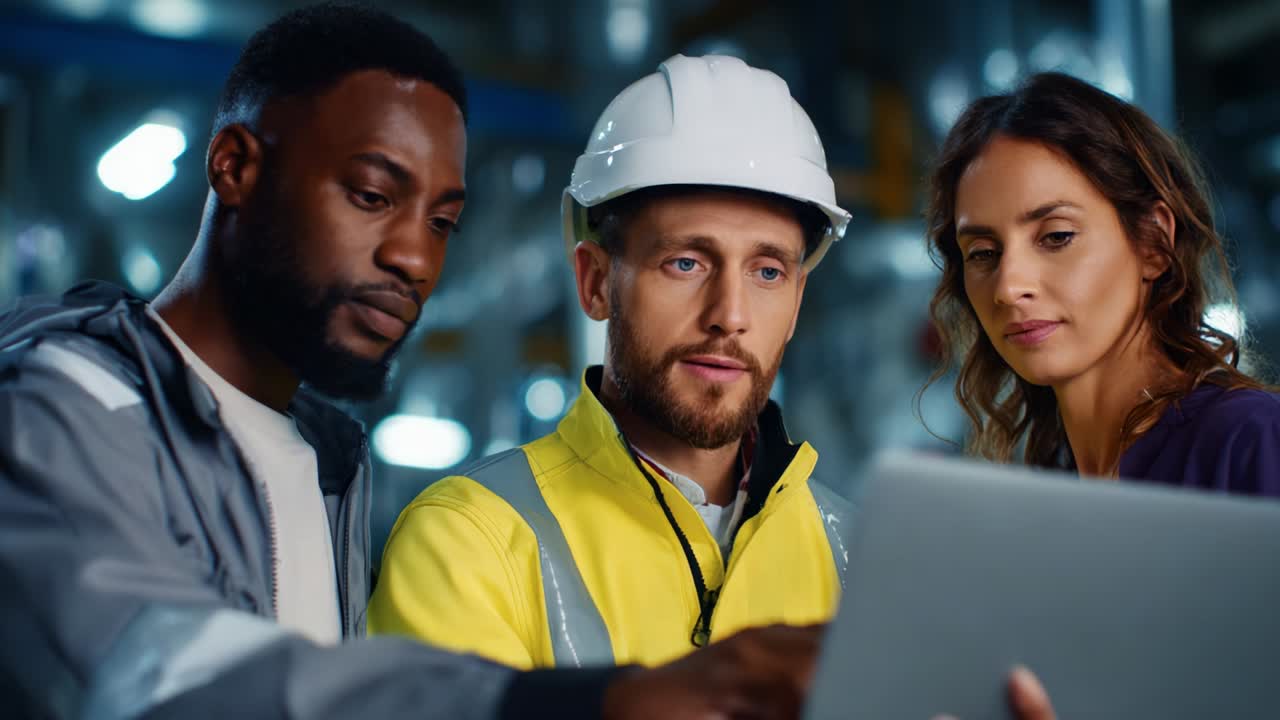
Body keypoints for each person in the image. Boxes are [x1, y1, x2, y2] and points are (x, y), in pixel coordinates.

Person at [0, 6, 828, 719]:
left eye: (441, 221)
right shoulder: (59, 404)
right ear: (235, 167)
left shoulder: (325, 460)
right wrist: (577, 703)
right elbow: (149, 670)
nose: (413, 258)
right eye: (371, 195)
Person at [369, 54, 858, 670]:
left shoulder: (861, 557)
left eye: (767, 271)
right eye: (686, 262)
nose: (729, 314)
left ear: (795, 305)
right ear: (596, 282)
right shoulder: (467, 539)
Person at [923, 71, 1280, 492]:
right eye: (983, 253)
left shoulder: (1250, 439)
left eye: (1056, 237)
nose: (1007, 287)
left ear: (1153, 242)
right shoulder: (1049, 491)